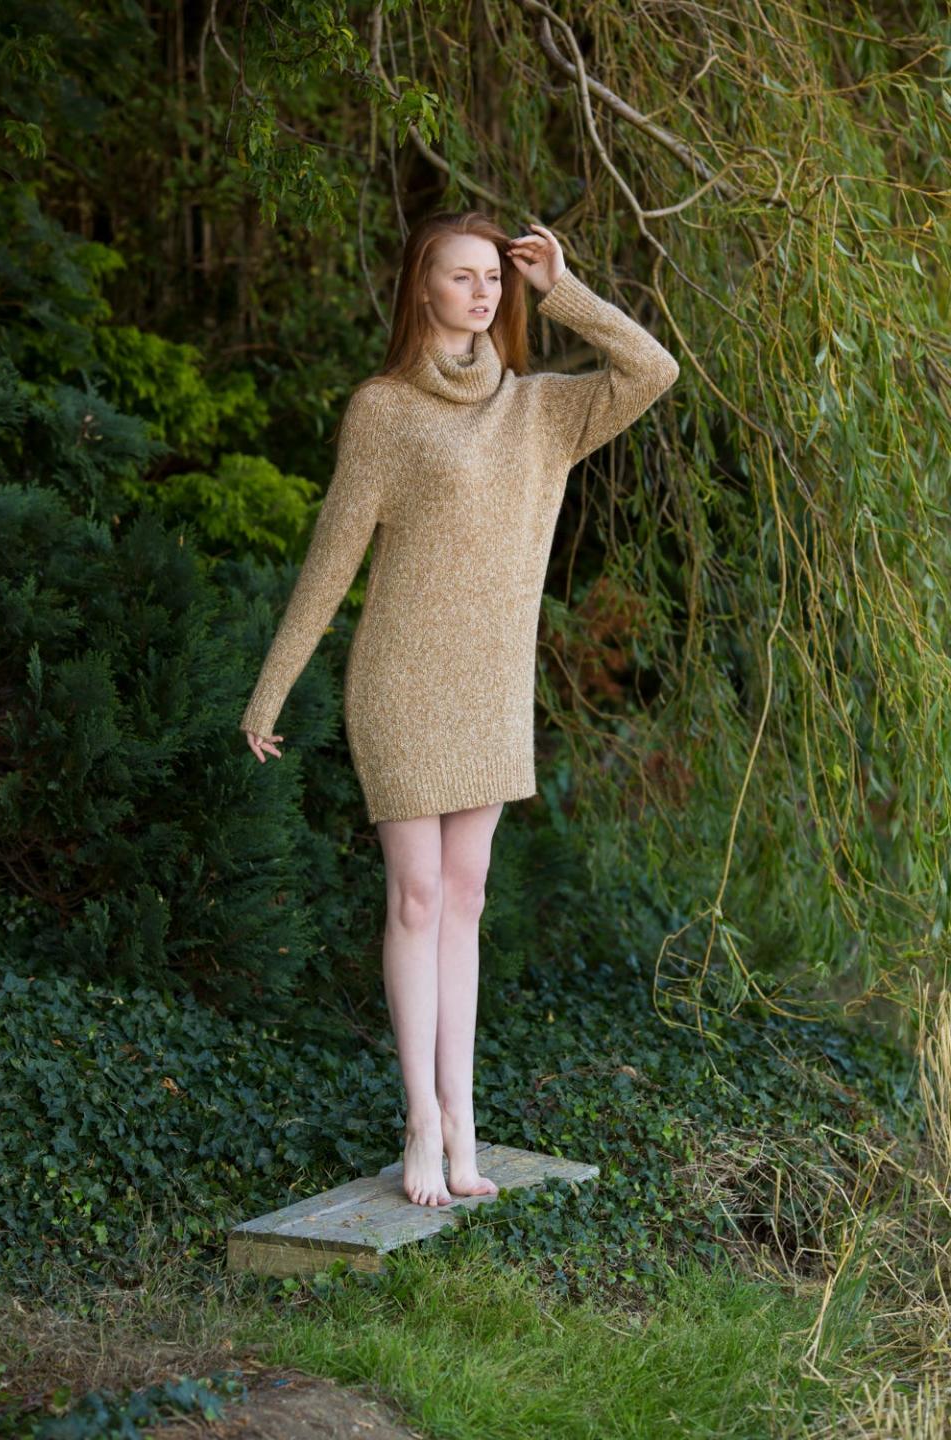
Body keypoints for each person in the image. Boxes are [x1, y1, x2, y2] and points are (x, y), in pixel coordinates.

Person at [240, 211, 680, 1207]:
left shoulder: (540, 412)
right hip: (398, 681)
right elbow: (331, 561)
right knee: (416, 896)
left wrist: (564, 288)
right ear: (423, 290)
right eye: (461, 278)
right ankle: (421, 1120)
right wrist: (272, 686)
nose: (483, 294)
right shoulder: (383, 411)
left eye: (495, 279)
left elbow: (651, 369)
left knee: (468, 895)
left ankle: (463, 1118)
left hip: (489, 688)